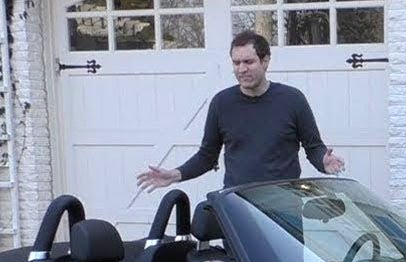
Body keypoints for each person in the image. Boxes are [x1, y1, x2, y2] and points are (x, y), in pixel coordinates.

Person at [136, 30, 345, 194]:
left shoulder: (292, 100)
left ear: (265, 61)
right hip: (238, 205)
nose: (241, 69)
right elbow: (207, 156)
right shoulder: (222, 103)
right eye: (236, 63)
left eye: (248, 62)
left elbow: (313, 147)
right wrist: (175, 175)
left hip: (285, 204)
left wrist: (323, 162)